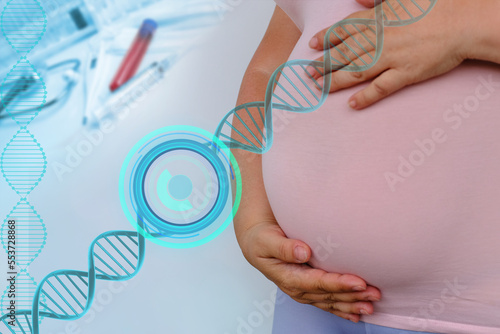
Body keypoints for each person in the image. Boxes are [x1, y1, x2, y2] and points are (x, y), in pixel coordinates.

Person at [231, 0, 500, 333]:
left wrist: (464, 24)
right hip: (312, 300)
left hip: (463, 316)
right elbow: (266, 70)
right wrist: (251, 216)